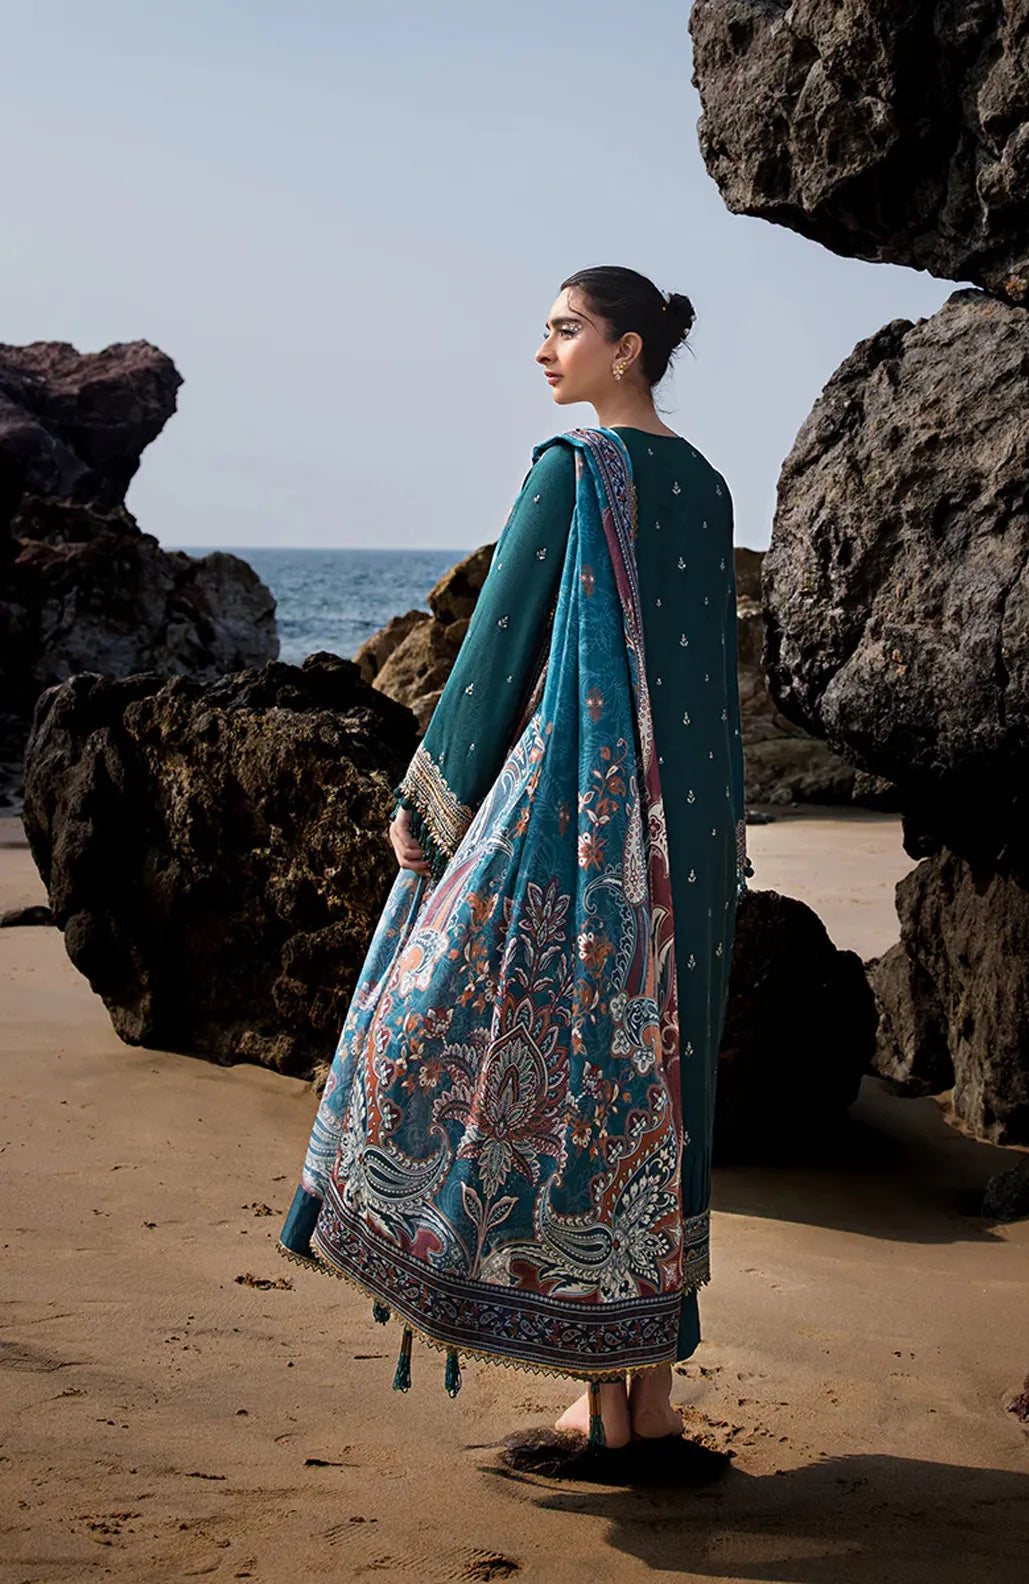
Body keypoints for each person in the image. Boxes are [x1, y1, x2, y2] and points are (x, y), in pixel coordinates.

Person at [279, 265, 750, 1451]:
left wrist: (427, 804)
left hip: (588, 823)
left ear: (625, 349)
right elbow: (709, 679)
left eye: (564, 330)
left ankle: (603, 1407)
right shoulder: (705, 483)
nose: (544, 351)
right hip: (693, 830)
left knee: (571, 1071)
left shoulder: (574, 470)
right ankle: (646, 1398)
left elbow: (495, 645)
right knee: (665, 1088)